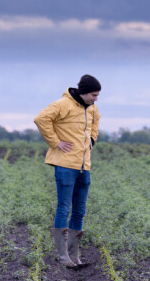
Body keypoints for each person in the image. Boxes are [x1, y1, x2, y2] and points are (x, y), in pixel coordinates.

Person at [34, 74, 101, 268]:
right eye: (94, 95)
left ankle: (74, 255)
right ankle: (63, 256)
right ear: (84, 92)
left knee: (80, 210)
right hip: (65, 165)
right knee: (64, 208)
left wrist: (91, 141)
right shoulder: (63, 104)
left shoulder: (92, 108)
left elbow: (96, 123)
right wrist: (55, 142)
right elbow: (41, 119)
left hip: (84, 166)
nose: (96, 99)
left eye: (97, 95)